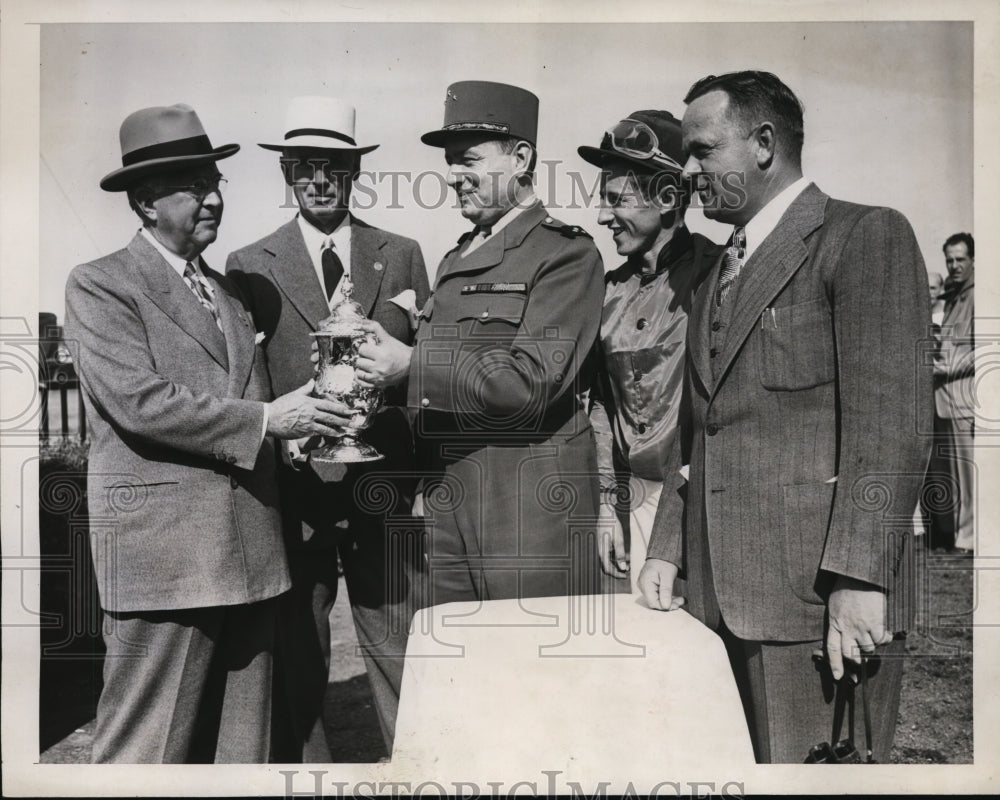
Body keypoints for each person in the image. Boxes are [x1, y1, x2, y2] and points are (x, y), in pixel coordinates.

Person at [637, 71, 932, 763]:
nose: (689, 171)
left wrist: (860, 581)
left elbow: (890, 429)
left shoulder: (863, 236)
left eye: (703, 150)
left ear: (763, 144)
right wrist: (667, 546)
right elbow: (702, 430)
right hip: (718, 602)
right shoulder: (718, 270)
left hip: (816, 605)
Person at [64, 104, 349, 763]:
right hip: (167, 567)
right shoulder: (101, 286)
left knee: (238, 757)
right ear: (144, 202)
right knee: (146, 754)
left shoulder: (231, 295)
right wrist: (269, 421)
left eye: (216, 182)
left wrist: (310, 417)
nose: (214, 196)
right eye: (193, 184)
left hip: (253, 560)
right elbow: (140, 402)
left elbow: (250, 403)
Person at [225, 96, 430, 760]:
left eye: (333, 166)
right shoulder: (250, 264)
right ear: (287, 172)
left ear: (355, 172)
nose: (319, 180)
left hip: (383, 489)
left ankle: (421, 765)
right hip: (299, 491)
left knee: (401, 648)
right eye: (305, 167)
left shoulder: (400, 254)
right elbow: (248, 375)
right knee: (300, 659)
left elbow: (419, 367)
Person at [353, 80, 605, 605]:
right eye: (449, 163)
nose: (452, 177)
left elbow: (527, 384)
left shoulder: (565, 256)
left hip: (528, 513)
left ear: (520, 159)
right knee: (463, 674)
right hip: (448, 506)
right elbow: (439, 386)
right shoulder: (456, 259)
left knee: (529, 671)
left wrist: (410, 367)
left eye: (467, 160)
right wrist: (370, 367)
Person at [577, 110, 721, 593]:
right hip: (630, 502)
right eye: (603, 200)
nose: (602, 216)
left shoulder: (719, 275)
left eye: (616, 200)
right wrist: (604, 504)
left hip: (703, 502)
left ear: (666, 198)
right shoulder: (606, 290)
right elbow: (601, 404)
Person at [932, 233, 975, 554]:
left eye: (960, 259)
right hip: (943, 401)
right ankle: (954, 535)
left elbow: (983, 349)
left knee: (968, 475)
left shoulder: (976, 296)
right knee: (952, 476)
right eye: (950, 260)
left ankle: (969, 539)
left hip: (963, 399)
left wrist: (944, 367)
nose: (954, 265)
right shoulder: (953, 295)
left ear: (972, 259)